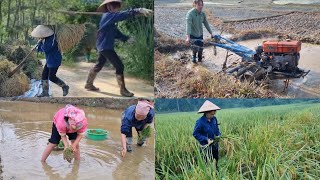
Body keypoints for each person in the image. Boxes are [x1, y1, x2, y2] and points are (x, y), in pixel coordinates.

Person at [85, 0, 153, 97]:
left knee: (98, 65)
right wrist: (138, 10)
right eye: (116, 7)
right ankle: (123, 90)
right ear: (109, 7)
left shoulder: (111, 20)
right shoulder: (108, 16)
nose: (118, 10)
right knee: (119, 66)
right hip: (105, 47)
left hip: (102, 46)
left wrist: (127, 38)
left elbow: (116, 33)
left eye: (118, 8)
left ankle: (89, 84)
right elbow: (122, 15)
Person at [31, 25, 69, 97]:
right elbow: (43, 48)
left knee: (51, 77)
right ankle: (45, 92)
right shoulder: (46, 38)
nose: (39, 37)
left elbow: (46, 49)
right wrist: (39, 45)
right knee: (44, 75)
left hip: (55, 60)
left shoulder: (52, 39)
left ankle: (64, 86)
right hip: (50, 60)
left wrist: (40, 44)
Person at [193, 100, 221, 171]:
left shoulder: (214, 119)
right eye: (211, 114)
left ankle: (216, 173)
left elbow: (217, 129)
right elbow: (195, 134)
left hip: (214, 145)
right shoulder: (200, 122)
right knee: (207, 163)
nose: (213, 116)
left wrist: (219, 135)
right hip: (206, 147)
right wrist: (206, 139)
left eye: (214, 114)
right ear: (206, 113)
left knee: (216, 160)